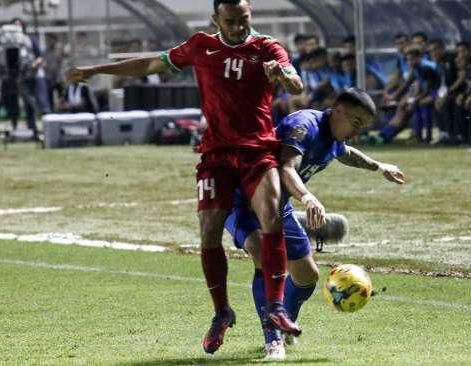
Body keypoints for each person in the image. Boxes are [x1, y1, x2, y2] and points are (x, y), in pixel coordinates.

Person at [66, 0, 304, 355]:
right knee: (208, 230)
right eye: (231, 21)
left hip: (258, 151)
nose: (239, 27)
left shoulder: (268, 47)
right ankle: (221, 312)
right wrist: (97, 69)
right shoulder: (200, 45)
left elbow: (296, 84)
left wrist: (283, 76)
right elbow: (149, 63)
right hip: (216, 155)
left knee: (271, 218)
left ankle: (275, 307)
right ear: (215, 20)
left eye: (244, 19)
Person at [224, 88, 405, 359]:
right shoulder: (304, 125)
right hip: (240, 197)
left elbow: (345, 153)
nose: (357, 130)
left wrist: (380, 167)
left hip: (277, 205)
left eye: (363, 126)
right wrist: (308, 198)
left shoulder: (333, 136)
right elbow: (286, 167)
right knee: (264, 255)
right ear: (338, 110)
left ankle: (284, 322)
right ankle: (272, 339)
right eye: (355, 123)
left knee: (307, 276)